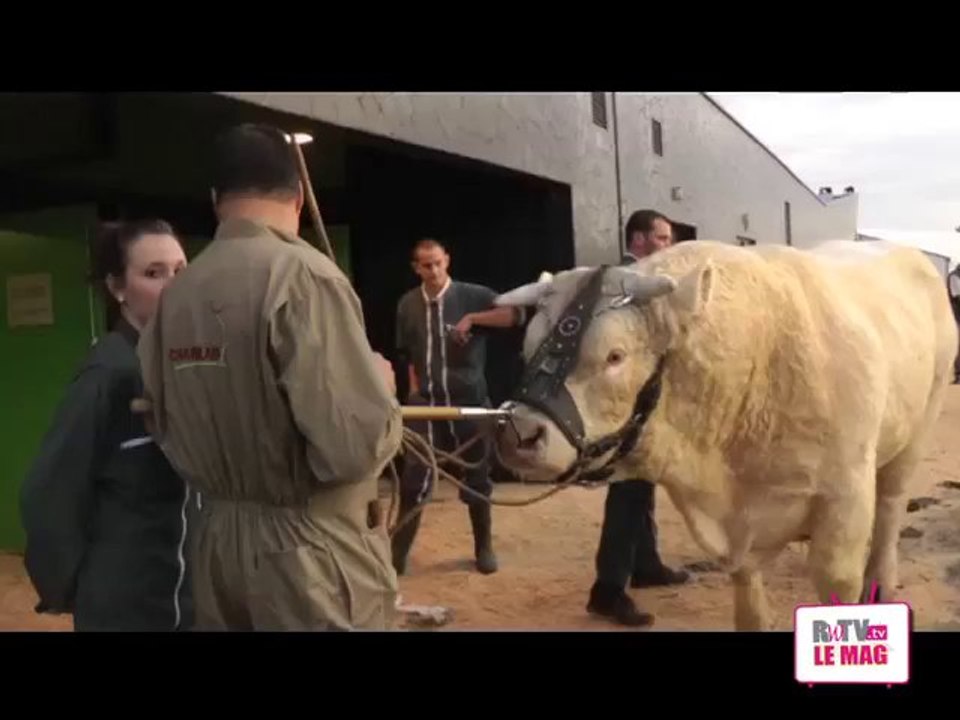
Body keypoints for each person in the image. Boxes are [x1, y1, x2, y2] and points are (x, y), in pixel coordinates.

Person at [136, 123, 403, 631]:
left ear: (216, 199)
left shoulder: (178, 293)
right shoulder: (304, 276)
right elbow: (351, 448)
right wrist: (380, 389)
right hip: (309, 556)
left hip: (216, 546)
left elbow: (160, 418)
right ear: (298, 196)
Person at [20, 219, 193, 632]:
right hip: (127, 609)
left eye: (181, 271)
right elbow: (47, 496)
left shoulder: (183, 366)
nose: (173, 285)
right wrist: (77, 588)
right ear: (118, 288)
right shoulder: (109, 376)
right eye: (153, 273)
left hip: (184, 602)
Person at [391, 238, 525, 576]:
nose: (433, 270)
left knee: (477, 478)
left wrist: (473, 319)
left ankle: (484, 547)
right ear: (416, 268)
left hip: (469, 403)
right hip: (428, 406)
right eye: (426, 265)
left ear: (447, 260)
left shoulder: (472, 294)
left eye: (438, 262)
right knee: (413, 481)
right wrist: (414, 393)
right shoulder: (407, 304)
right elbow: (407, 353)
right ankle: (396, 556)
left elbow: (515, 315)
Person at [586, 209, 690, 628]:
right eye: (663, 238)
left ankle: (646, 565)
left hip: (647, 407)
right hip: (625, 409)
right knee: (627, 493)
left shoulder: (648, 284)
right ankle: (607, 591)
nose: (670, 245)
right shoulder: (619, 283)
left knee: (643, 486)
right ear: (641, 240)